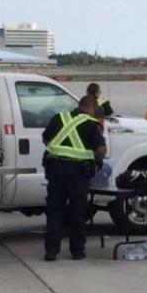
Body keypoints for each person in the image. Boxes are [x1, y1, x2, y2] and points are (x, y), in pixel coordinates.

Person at [42, 96, 107, 261]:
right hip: (78, 172)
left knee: (55, 211)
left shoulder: (59, 118)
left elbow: (46, 139)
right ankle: (77, 251)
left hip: (55, 169)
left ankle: (51, 251)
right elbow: (101, 149)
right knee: (77, 211)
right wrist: (96, 161)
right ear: (92, 108)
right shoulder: (91, 124)